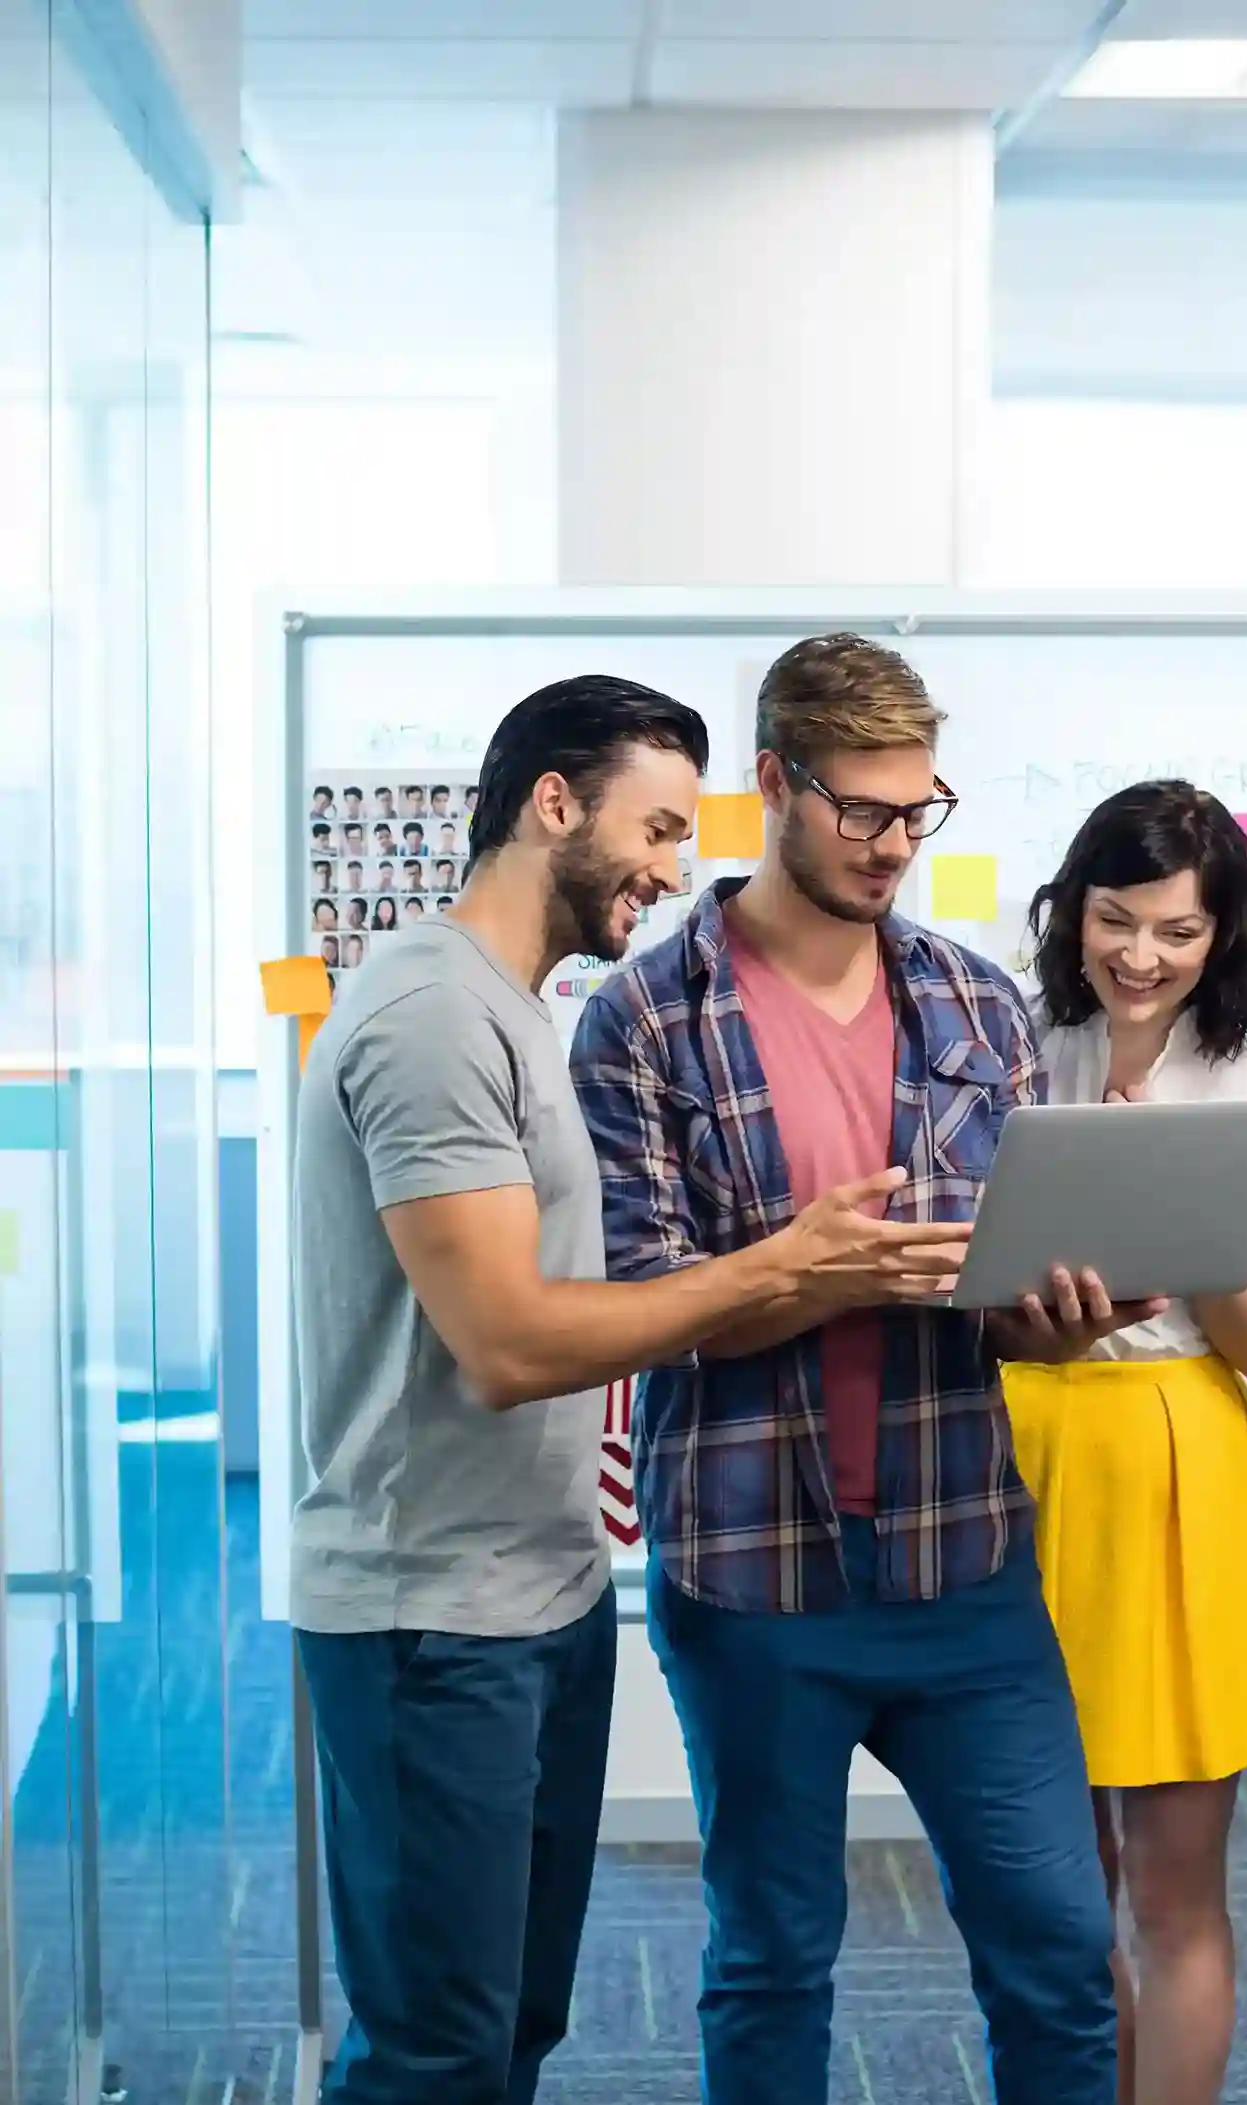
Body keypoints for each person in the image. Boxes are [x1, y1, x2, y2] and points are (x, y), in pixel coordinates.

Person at [292, 672, 970, 2105]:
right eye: (655, 830)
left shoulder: (514, 1010)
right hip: (431, 1617)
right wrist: (784, 1267)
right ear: (553, 805)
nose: (672, 872)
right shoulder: (429, 1019)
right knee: (432, 2054)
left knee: (509, 2031)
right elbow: (512, 1345)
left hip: (531, 1595)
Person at [572, 633, 1134, 2105]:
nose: (893, 845)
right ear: (774, 784)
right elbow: (646, 1309)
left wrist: (1057, 1310)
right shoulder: (643, 1017)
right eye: (861, 812)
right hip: (755, 1576)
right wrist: (808, 1274)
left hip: (968, 1563)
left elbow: (1004, 1298)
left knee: (1062, 1949)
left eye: (916, 812)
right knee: (771, 1962)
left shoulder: (974, 1003)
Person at [1004, 781, 1247, 2105]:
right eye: (1113, 919)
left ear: (1222, 939)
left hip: (1181, 1466)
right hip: (1023, 1463)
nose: (1137, 956)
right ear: (1071, 911)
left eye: (1174, 934)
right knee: (1058, 1898)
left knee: (1174, 1886)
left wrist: (1182, 1211)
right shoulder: (1012, 1045)